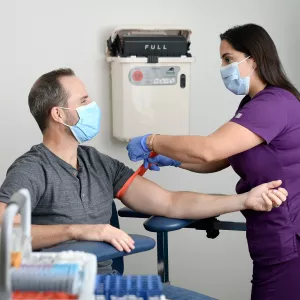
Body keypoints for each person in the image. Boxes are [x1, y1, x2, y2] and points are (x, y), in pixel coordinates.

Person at [0, 68, 287, 276]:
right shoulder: (32, 169)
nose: (92, 106)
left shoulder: (97, 163)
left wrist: (243, 201)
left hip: (107, 286)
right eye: (84, 100)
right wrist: (78, 230)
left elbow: (170, 203)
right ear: (59, 114)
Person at [126, 23, 300, 299]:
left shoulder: (275, 104)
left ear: (253, 59)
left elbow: (208, 149)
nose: (222, 67)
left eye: (228, 59)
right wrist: (173, 159)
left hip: (287, 235)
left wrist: (153, 140)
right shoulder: (251, 104)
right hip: (269, 234)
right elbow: (220, 158)